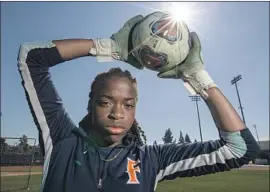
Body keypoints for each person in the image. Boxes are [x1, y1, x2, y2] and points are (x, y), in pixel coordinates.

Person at [17, 14, 260, 192]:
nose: (117, 114)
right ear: (90, 105)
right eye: (105, 102)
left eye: (128, 105)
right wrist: (108, 47)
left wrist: (198, 77)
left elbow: (239, 149)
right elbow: (32, 58)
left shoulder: (151, 160)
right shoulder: (62, 140)